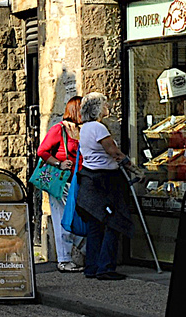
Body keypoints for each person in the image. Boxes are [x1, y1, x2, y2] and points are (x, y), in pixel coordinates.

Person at [74, 92, 134, 281]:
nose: (108, 108)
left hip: (91, 178)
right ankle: (106, 267)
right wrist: (129, 163)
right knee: (113, 222)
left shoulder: (84, 128)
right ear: (98, 108)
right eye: (105, 104)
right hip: (106, 180)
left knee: (95, 225)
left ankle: (92, 266)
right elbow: (112, 150)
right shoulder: (99, 128)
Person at [36, 95, 84, 272]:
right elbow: (42, 151)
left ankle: (82, 250)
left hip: (77, 181)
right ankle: (64, 259)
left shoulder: (80, 130)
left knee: (73, 216)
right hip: (61, 181)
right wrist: (59, 163)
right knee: (62, 217)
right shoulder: (59, 129)